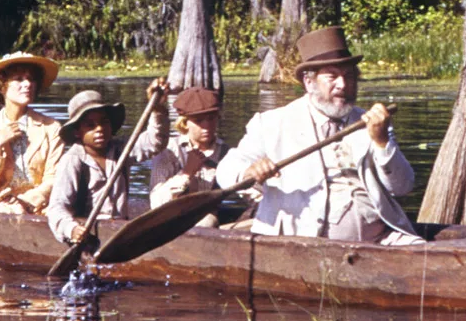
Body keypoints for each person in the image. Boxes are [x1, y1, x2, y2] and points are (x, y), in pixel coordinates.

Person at [216, 26, 423, 244]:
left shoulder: (373, 123)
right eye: (332, 76)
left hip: (381, 241)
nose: (343, 85)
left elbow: (403, 187)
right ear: (309, 82)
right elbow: (226, 170)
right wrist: (248, 172)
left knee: (427, 261)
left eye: (349, 76)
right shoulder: (271, 123)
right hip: (297, 246)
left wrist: (382, 143)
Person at [46, 79, 170, 245]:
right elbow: (57, 207)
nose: (99, 129)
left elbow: (155, 142)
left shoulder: (122, 149)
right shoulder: (72, 161)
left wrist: (158, 109)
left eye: (104, 122)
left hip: (119, 231)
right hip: (88, 233)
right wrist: (71, 229)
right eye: (90, 125)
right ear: (77, 132)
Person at [0, 53, 65, 214]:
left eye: (31, 79)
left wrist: (27, 201)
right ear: (1, 86)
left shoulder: (51, 128)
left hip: (41, 207)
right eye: (19, 79)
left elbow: (54, 178)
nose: (27, 84)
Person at [147, 86, 248, 228]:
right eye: (199, 120)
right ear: (185, 123)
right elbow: (156, 203)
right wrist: (187, 172)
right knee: (207, 222)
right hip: (169, 222)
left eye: (211, 118)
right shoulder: (168, 151)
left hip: (208, 218)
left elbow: (246, 187)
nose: (207, 126)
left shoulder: (226, 153)